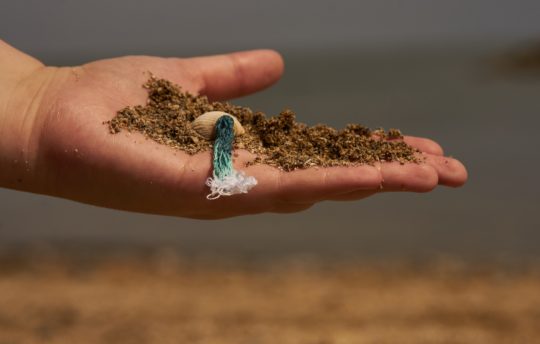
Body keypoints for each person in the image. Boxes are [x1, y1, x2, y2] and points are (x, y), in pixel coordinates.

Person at [0, 40, 467, 219]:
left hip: (221, 127)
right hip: (217, 127)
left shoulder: (225, 127)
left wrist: (33, 99)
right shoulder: (214, 127)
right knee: (224, 133)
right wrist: (30, 106)